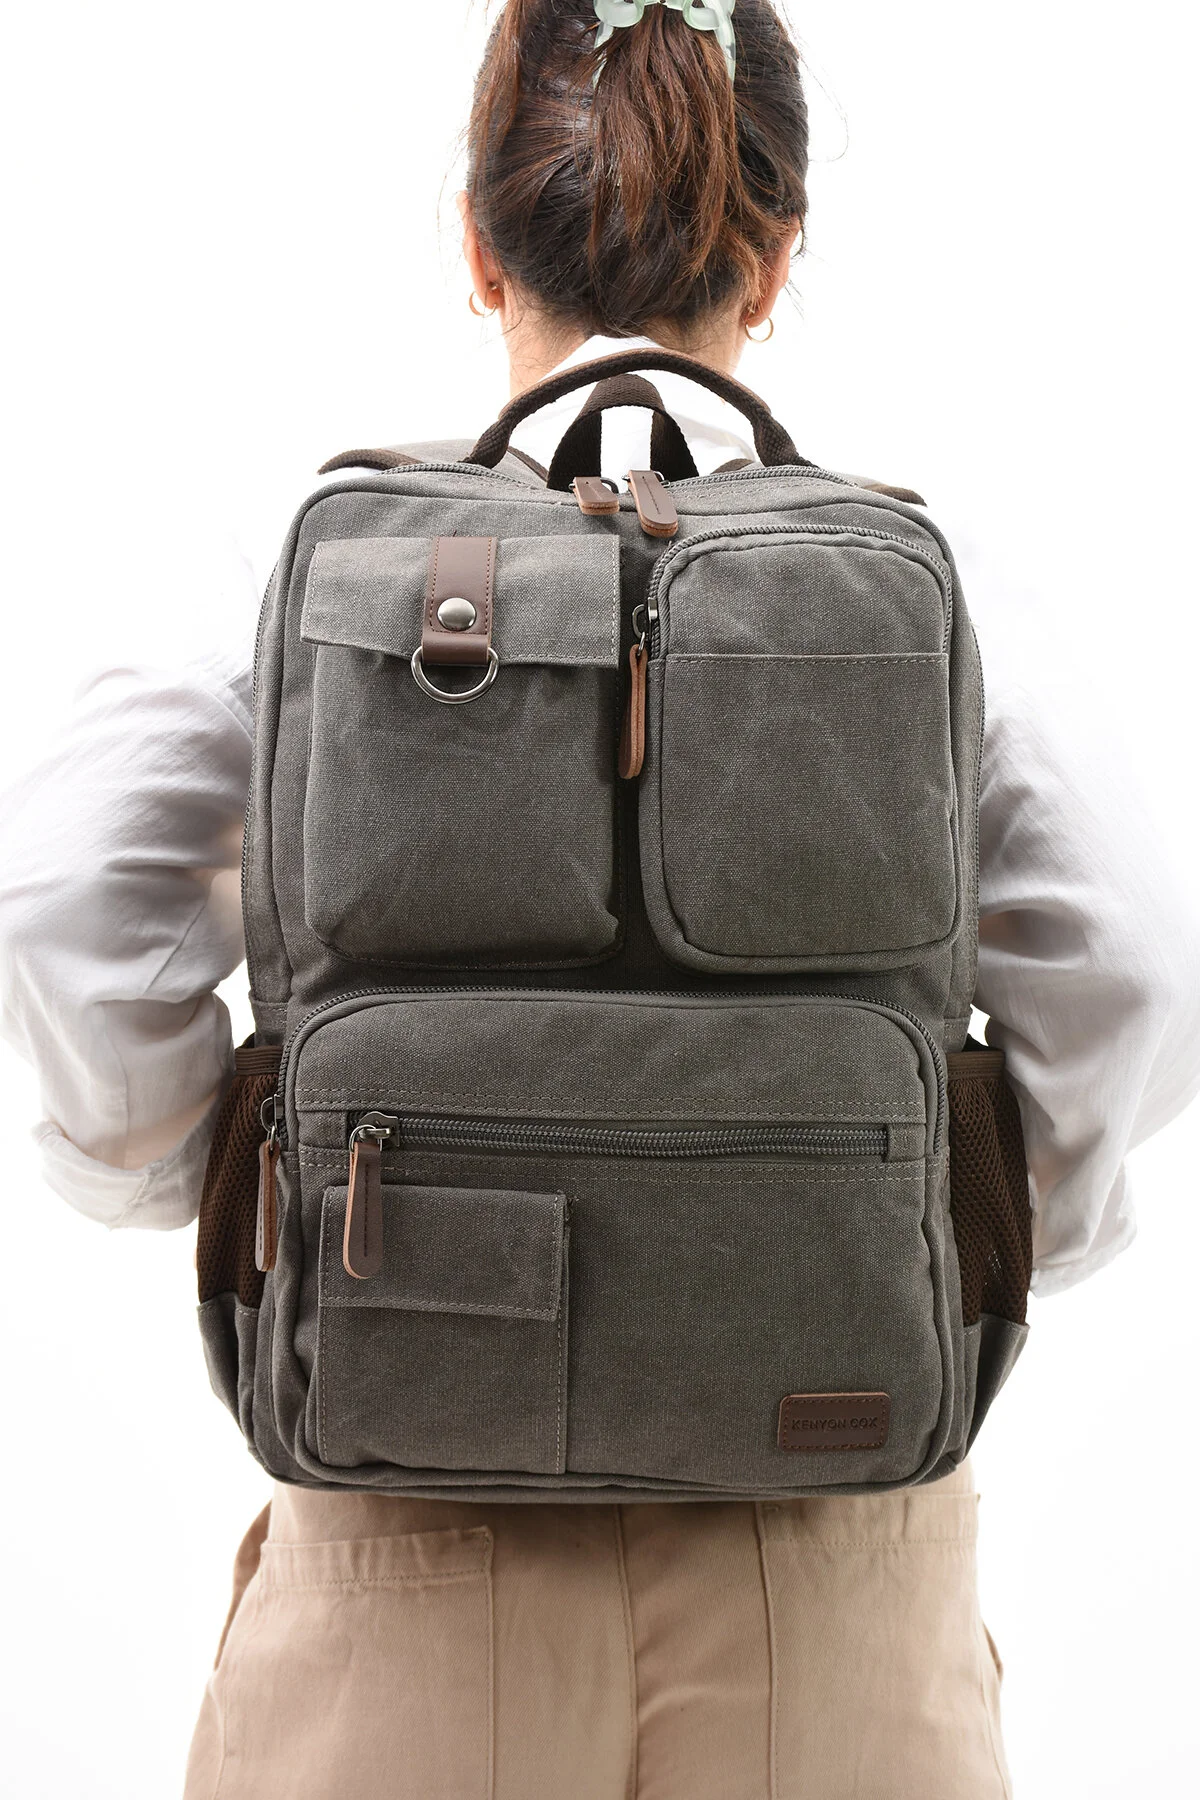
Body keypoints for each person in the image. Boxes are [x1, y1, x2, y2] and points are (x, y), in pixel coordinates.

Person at [1, 3, 1198, 1795]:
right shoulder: (933, 583)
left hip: (412, 1555)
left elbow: (56, 890)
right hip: (831, 1583)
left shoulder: (320, 563)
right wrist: (971, 1238)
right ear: (775, 260)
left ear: (479, 245)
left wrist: (218, 1179)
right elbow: (1142, 959)